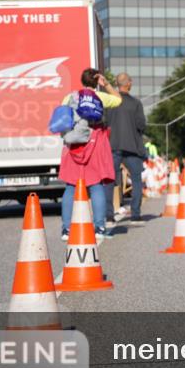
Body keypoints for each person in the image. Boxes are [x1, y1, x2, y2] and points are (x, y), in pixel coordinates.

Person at [59, 68, 122, 241]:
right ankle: (99, 227)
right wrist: (106, 84)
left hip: (74, 144)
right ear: (96, 81)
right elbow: (118, 99)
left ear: (82, 81)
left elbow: (63, 118)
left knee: (71, 186)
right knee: (96, 185)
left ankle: (66, 230)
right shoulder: (100, 97)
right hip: (95, 143)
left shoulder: (70, 97)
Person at [105, 72, 146, 226]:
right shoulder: (135, 103)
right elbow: (141, 125)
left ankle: (109, 215)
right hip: (132, 147)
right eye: (131, 80)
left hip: (113, 145)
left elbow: (105, 122)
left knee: (109, 180)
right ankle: (135, 214)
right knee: (136, 179)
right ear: (128, 83)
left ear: (117, 84)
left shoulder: (110, 102)